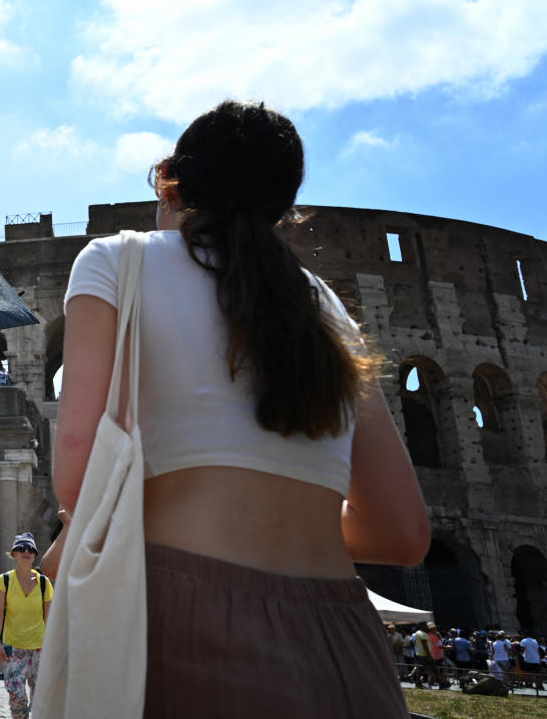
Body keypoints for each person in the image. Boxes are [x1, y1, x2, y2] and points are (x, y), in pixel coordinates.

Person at [52, 101, 430, 716]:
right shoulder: (325, 308)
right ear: (282, 208)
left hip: (183, 613)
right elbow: (404, 532)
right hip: (346, 634)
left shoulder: (116, 262)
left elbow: (77, 478)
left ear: (169, 179)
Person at [0, 533, 52, 719]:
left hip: (39, 648)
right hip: (14, 647)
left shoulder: (44, 583)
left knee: (41, 699)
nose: (26, 552)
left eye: (30, 549)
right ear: (14, 553)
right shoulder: (5, 580)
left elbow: (49, 619)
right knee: (16, 695)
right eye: (21, 548)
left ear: (34, 555)